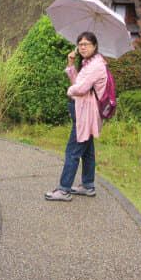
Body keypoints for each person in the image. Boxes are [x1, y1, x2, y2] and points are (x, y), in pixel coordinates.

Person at [45, 31, 108, 201]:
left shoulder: (96, 65)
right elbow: (78, 82)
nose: (82, 47)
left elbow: (80, 88)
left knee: (72, 151)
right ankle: (88, 185)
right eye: (80, 44)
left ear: (95, 46)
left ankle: (64, 189)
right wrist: (71, 65)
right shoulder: (89, 63)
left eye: (86, 44)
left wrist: (70, 92)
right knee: (87, 152)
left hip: (86, 114)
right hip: (83, 111)